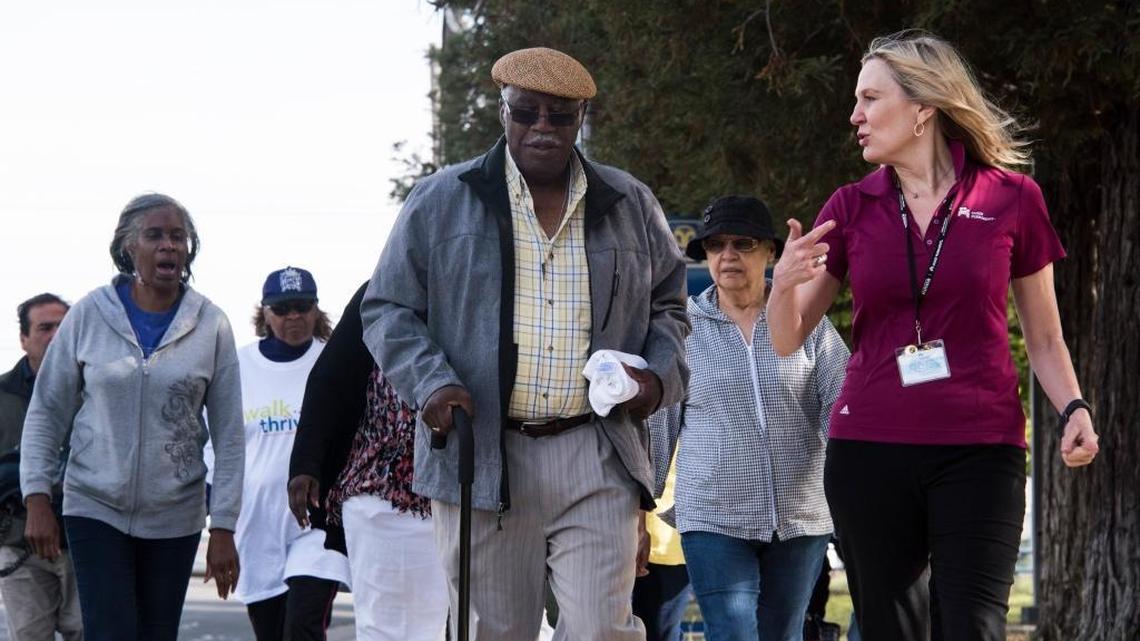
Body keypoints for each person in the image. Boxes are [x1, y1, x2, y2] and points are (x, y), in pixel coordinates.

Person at [766, 31, 1100, 641]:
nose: (855, 115)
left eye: (870, 98)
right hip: (868, 449)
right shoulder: (849, 205)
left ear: (923, 108)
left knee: (973, 627)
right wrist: (781, 285)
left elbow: (1045, 339)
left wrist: (1072, 407)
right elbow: (787, 339)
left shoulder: (1012, 199)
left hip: (982, 448)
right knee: (893, 630)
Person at [361, 46, 690, 640]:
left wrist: (656, 378)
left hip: (596, 447)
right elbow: (388, 308)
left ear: (581, 118)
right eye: (526, 112)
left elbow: (670, 306)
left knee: (601, 631)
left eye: (559, 116)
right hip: (484, 452)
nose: (542, 127)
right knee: (495, 631)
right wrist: (432, 382)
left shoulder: (629, 202)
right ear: (502, 112)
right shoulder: (441, 199)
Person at [19, 193, 244, 641]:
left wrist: (223, 526)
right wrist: (36, 496)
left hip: (175, 514)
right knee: (112, 631)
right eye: (155, 235)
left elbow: (229, 434)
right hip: (94, 505)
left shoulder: (210, 324)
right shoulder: (88, 315)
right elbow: (47, 410)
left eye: (178, 237)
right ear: (129, 247)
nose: (169, 246)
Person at [650, 196, 849, 641]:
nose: (728, 255)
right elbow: (657, 428)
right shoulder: (682, 329)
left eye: (743, 243)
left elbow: (842, 407)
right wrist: (637, 512)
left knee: (783, 634)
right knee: (734, 633)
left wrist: (856, 492)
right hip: (712, 517)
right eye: (716, 245)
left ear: (771, 253)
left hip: (801, 517)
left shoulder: (808, 323)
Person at [288, 281, 449, 641]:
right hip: (385, 491)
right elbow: (329, 381)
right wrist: (306, 464)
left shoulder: (487, 283)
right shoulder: (380, 292)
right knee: (395, 631)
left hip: (475, 490)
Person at [231, 266, 350, 641]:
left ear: (316, 310)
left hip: (319, 521)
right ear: (264, 313)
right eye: (282, 309)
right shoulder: (237, 366)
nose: (293, 316)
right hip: (257, 521)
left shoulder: (336, 362)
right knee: (270, 632)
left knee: (303, 624)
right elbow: (217, 441)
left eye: (302, 306)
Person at [0, 293, 82, 641]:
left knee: (91, 632)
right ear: (23, 339)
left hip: (86, 542)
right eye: (44, 327)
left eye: (63, 327)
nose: (54, 335)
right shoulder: (3, 396)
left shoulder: (99, 390)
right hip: (20, 542)